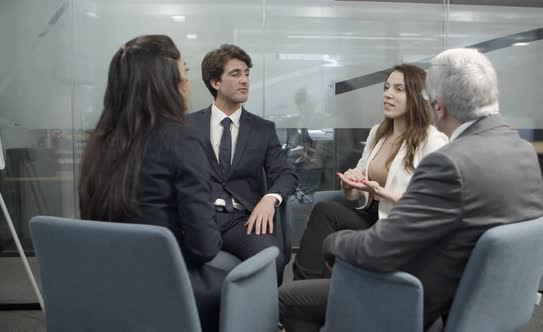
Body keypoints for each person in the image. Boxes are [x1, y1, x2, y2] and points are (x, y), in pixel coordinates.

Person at [279, 48, 543, 332]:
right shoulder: (522, 150)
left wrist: (333, 245)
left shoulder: (449, 161)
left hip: (419, 294)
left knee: (286, 299)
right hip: (485, 296)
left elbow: (378, 249)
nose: (388, 95)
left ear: (438, 106)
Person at [79, 35, 225, 332]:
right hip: (169, 290)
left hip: (105, 286)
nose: (188, 83)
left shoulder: (99, 142)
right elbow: (205, 247)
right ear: (165, 85)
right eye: (184, 73)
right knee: (239, 274)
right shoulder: (182, 139)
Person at [292, 64, 448, 280]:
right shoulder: (379, 132)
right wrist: (351, 184)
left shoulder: (432, 140)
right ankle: (304, 284)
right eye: (386, 88)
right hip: (371, 214)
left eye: (398, 89)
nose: (388, 95)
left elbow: (435, 204)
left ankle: (304, 292)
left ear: (417, 96)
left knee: (325, 217)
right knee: (323, 210)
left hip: (397, 223)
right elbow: (361, 176)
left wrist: (388, 195)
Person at [191, 44, 297, 282]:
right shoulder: (187, 126)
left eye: (247, 73)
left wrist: (270, 199)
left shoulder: (263, 130)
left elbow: (285, 174)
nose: (244, 80)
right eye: (235, 73)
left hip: (242, 221)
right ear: (215, 82)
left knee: (272, 259)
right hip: (197, 215)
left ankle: (264, 319)